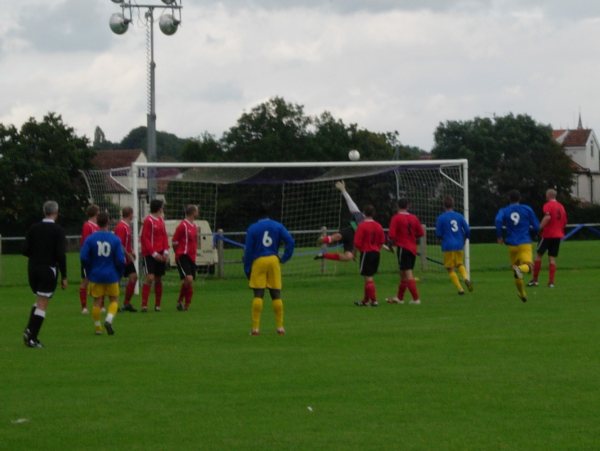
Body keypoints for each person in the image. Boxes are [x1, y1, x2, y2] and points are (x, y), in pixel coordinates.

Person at [244, 204, 295, 336]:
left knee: (258, 294)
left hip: (259, 260)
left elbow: (248, 251)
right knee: (276, 294)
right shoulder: (277, 225)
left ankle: (255, 329)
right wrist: (284, 258)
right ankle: (280, 327)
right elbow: (290, 241)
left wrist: (247, 268)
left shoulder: (253, 228)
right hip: (273, 260)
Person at [22, 200, 68, 348]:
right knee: (43, 303)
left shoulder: (33, 228)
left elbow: (25, 250)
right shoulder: (58, 230)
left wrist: (37, 256)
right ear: (56, 212)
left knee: (38, 299)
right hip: (47, 270)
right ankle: (32, 339)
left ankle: (29, 330)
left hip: (32, 269)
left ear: (44, 212)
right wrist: (64, 276)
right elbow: (60, 254)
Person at [80, 212, 125, 335]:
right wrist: (119, 272)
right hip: (111, 275)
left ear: (97, 223)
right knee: (114, 300)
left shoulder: (90, 238)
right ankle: (109, 320)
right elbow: (121, 260)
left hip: (95, 275)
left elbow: (83, 257)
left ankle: (98, 327)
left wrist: (89, 269)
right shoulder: (115, 239)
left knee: (97, 302)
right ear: (108, 222)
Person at [495, 190, 540, 302]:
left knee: (516, 272)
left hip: (511, 245)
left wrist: (500, 236)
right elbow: (536, 226)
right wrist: (533, 235)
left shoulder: (504, 210)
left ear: (509, 199)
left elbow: (498, 220)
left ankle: (522, 294)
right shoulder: (527, 209)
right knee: (529, 266)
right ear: (519, 198)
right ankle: (520, 269)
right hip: (524, 242)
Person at [315, 180, 365, 262]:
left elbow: (362, 243)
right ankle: (320, 240)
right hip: (349, 232)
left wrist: (355, 252)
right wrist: (343, 190)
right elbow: (350, 203)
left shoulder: (369, 228)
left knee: (348, 257)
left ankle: (323, 255)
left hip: (353, 241)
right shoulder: (359, 215)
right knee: (336, 237)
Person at [386, 198, 424, 305]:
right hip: (412, 249)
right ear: (408, 206)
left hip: (403, 248)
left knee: (407, 273)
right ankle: (399, 298)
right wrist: (411, 237)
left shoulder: (396, 218)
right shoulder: (414, 218)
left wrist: (390, 244)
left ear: (398, 206)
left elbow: (391, 235)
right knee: (402, 273)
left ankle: (416, 299)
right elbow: (420, 233)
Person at [528, 189, 567, 288]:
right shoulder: (561, 206)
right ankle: (551, 282)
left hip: (547, 235)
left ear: (548, 195)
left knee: (538, 255)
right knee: (552, 258)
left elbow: (548, 217)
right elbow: (565, 221)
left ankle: (535, 280)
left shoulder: (548, 205)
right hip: (558, 235)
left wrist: (539, 228)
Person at [435, 195, 473, 295]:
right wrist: (465, 239)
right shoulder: (459, 216)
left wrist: (441, 240)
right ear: (453, 205)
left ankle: (460, 289)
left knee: (450, 269)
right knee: (460, 264)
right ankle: (465, 278)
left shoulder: (441, 218)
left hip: (447, 245)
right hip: (459, 244)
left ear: (444, 206)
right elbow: (468, 230)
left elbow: (438, 234)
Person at [140, 199, 170, 312]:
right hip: (150, 254)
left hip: (161, 252)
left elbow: (164, 236)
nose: (163, 208)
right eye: (162, 207)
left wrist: (166, 251)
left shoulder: (161, 220)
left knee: (158, 278)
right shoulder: (148, 220)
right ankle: (144, 305)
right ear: (159, 208)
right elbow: (145, 238)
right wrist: (154, 253)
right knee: (150, 277)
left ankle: (158, 305)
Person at [353, 205, 385, 307]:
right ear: (373, 214)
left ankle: (374, 300)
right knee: (368, 277)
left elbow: (357, 243)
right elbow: (382, 241)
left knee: (368, 278)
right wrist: (376, 249)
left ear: (364, 213)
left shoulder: (362, 226)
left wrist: (355, 253)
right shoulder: (378, 226)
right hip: (376, 253)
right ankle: (365, 301)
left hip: (366, 252)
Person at [173, 204, 199, 311]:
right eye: (197, 211)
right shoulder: (182, 225)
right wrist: (178, 253)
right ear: (193, 213)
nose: (198, 213)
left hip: (191, 257)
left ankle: (181, 303)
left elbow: (194, 242)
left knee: (188, 281)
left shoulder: (194, 226)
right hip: (182, 255)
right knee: (189, 278)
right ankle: (185, 304)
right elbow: (175, 241)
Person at [114, 206, 138, 312]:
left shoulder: (127, 226)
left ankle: (126, 303)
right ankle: (113, 304)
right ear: (130, 214)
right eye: (133, 214)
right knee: (116, 281)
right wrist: (128, 254)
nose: (133, 216)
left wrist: (132, 251)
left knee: (134, 277)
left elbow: (126, 243)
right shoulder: (121, 226)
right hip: (120, 258)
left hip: (127, 258)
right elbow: (119, 243)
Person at [79, 204, 99, 314]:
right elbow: (86, 242)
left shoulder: (97, 226)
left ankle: (99, 305)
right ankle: (84, 307)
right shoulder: (88, 225)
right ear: (95, 213)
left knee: (99, 281)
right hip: (89, 258)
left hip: (97, 258)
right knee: (86, 281)